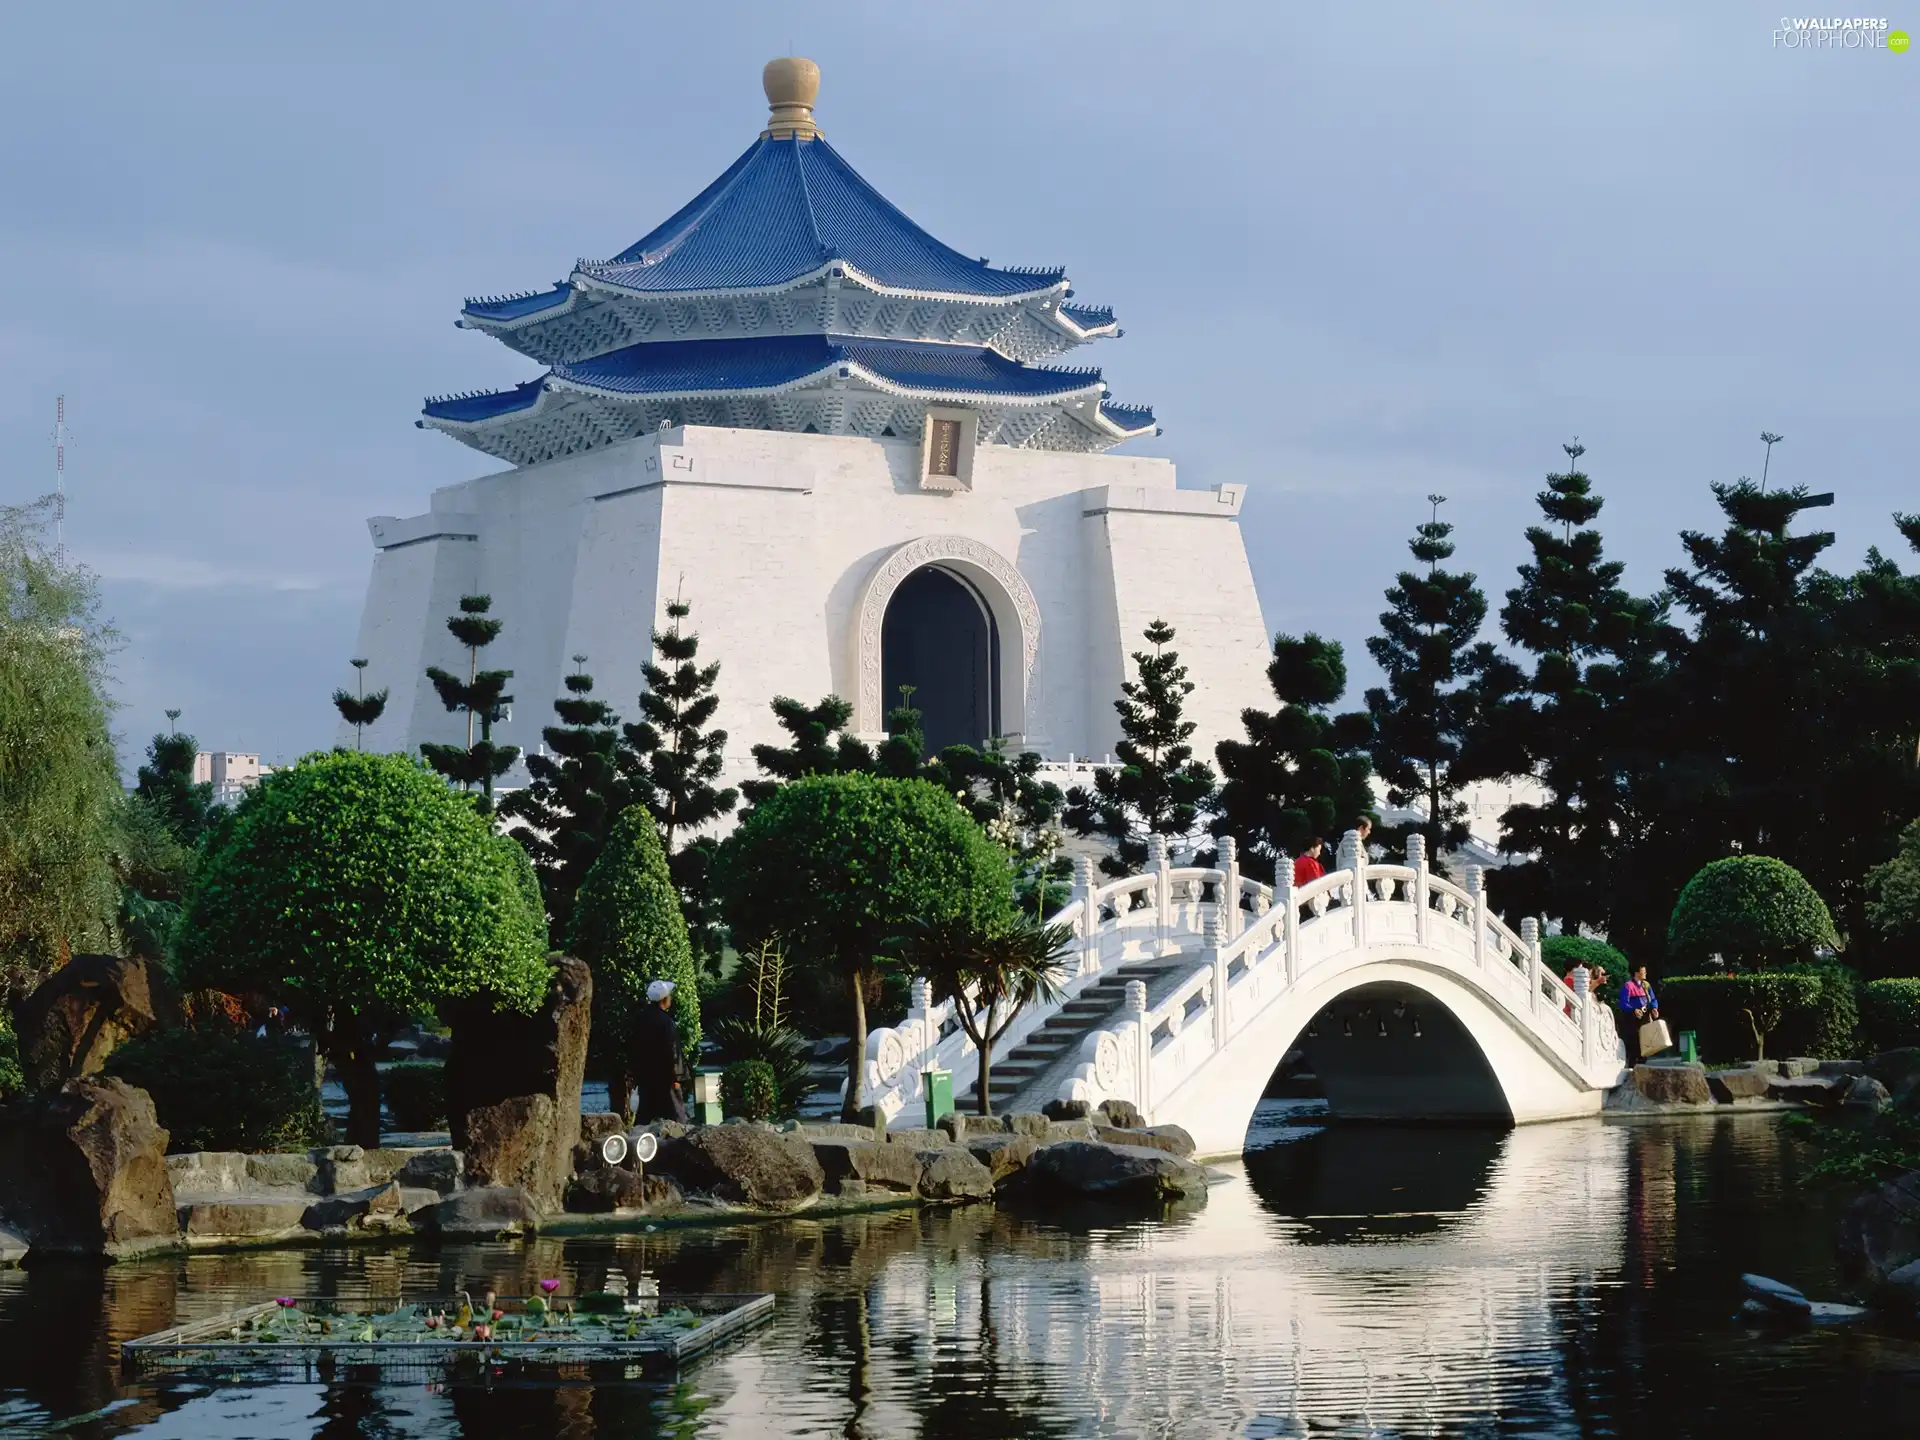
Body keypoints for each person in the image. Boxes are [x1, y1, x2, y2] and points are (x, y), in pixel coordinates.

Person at [633, 979, 688, 1123]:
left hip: (646, 1077)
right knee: (676, 1116)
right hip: (665, 1078)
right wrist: (676, 1077)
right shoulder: (666, 1022)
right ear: (664, 999)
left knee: (645, 1116)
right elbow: (672, 1051)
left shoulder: (640, 1019)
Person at [1618, 965, 1659, 1065]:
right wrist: (1633, 1010)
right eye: (1643, 971)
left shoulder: (1646, 985)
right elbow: (1623, 1003)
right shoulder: (1628, 986)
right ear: (1636, 973)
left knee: (1645, 1043)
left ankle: (1643, 1063)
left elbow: (1652, 999)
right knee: (1634, 1043)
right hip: (1632, 1019)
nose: (1645, 973)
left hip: (1645, 1018)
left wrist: (1654, 1008)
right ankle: (1632, 1064)